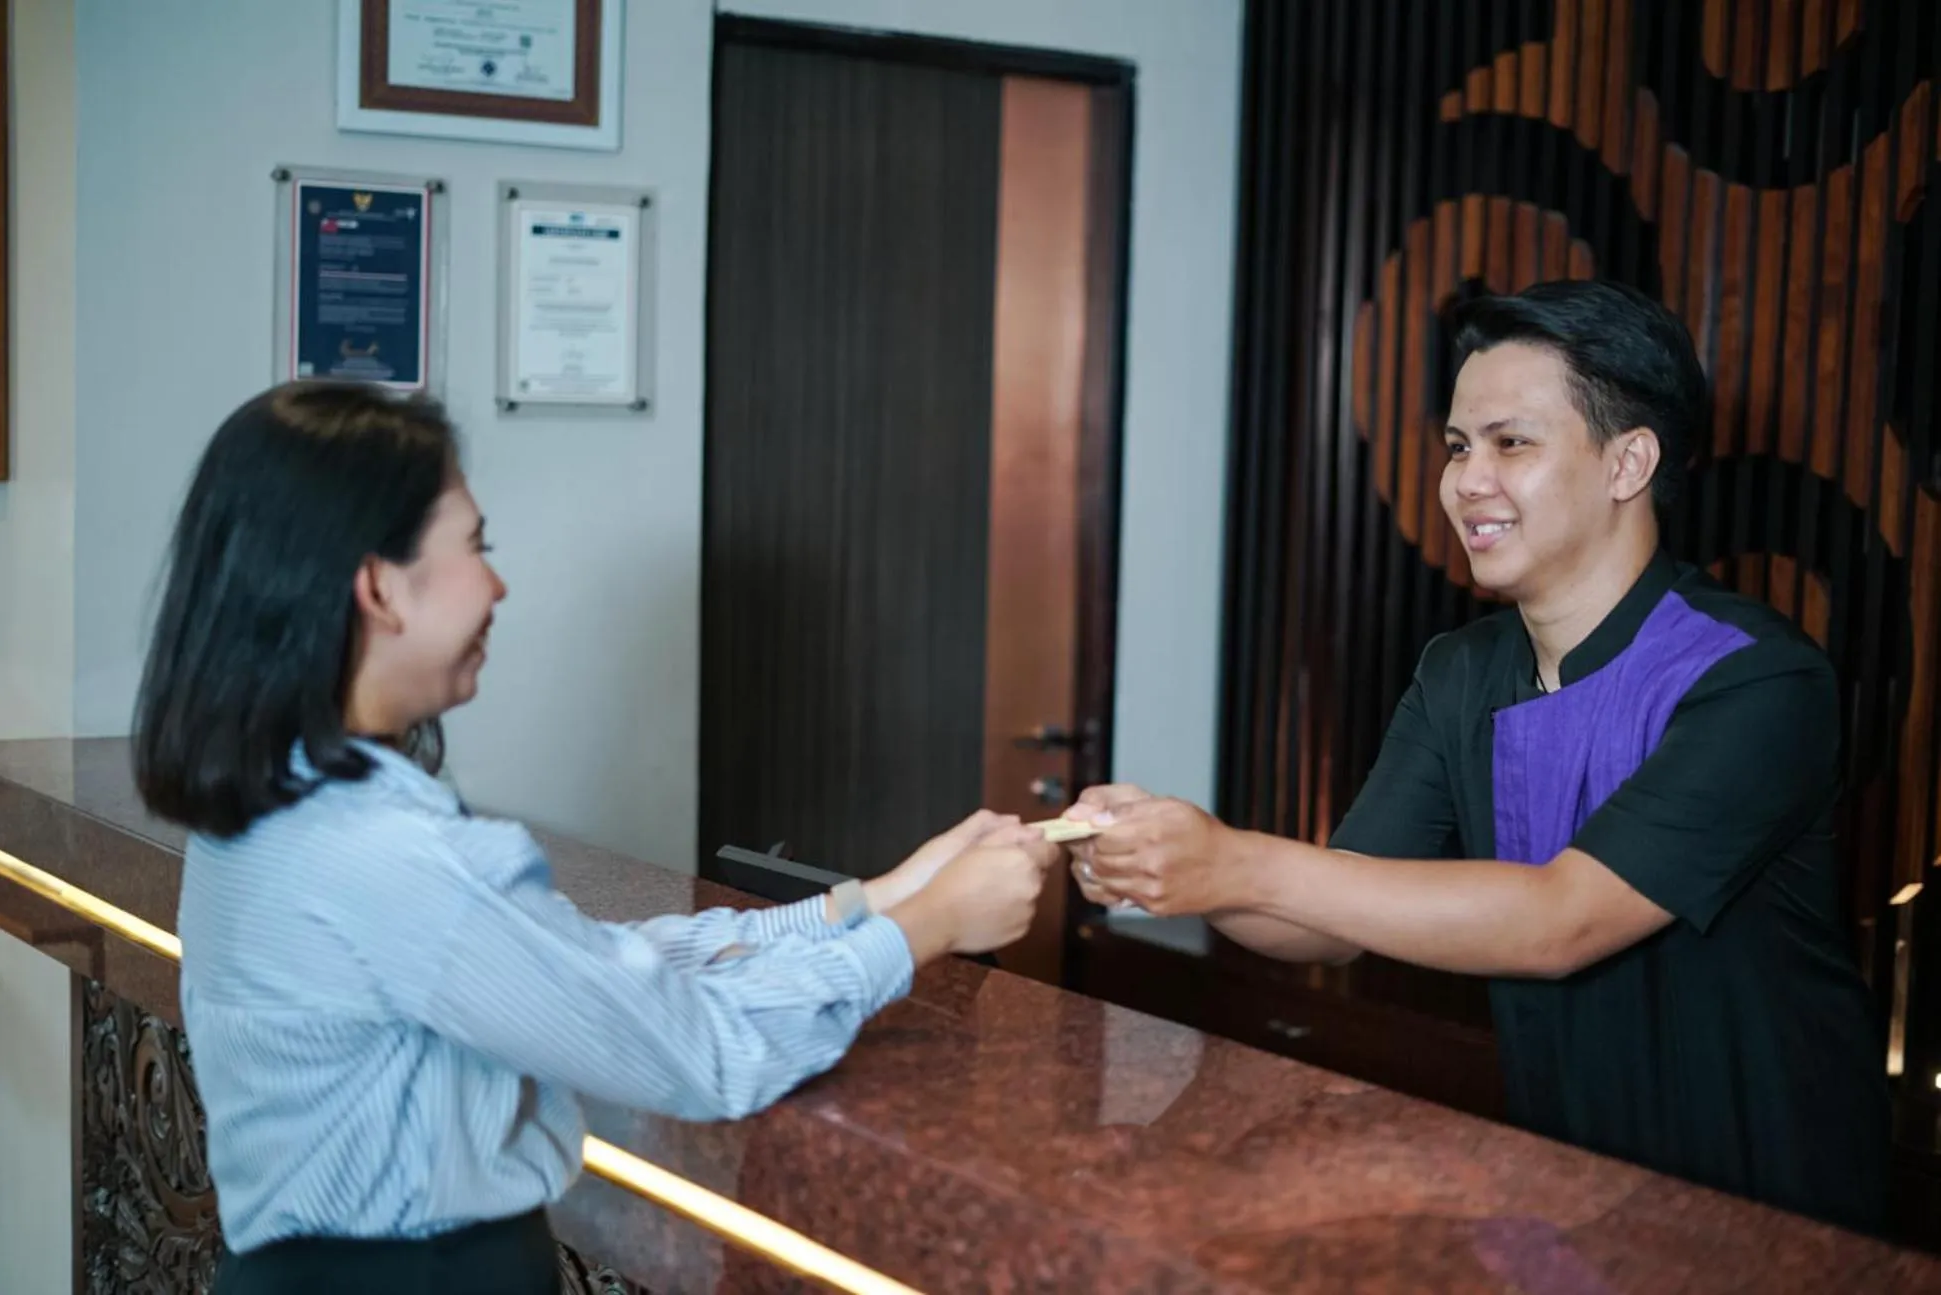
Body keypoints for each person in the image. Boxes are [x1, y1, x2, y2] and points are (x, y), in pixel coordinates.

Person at [132, 381, 1059, 1295]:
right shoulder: (389, 856)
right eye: (475, 545)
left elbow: (577, 968)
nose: (496, 582)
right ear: (378, 584)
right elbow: (698, 1054)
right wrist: (926, 928)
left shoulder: (287, 805)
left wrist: (869, 901)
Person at [1064, 279, 1891, 1234]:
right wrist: (1176, 863)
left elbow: (1559, 922)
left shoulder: (1754, 678)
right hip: (1562, 1184)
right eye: (1459, 446)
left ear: (1628, 462)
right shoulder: (1463, 670)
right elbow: (1332, 911)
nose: (1466, 481)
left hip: (1765, 1208)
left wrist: (1233, 860)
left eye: (1511, 443)